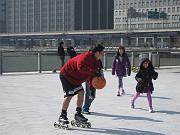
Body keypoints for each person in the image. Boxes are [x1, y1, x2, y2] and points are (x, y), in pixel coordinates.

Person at [57, 44, 105, 124]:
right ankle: (62, 115)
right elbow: (81, 68)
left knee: (81, 92)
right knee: (69, 95)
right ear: (97, 53)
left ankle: (78, 114)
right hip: (66, 75)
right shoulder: (86, 56)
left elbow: (92, 77)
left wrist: (92, 89)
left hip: (76, 78)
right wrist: (93, 72)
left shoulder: (97, 62)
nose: (103, 54)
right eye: (102, 53)